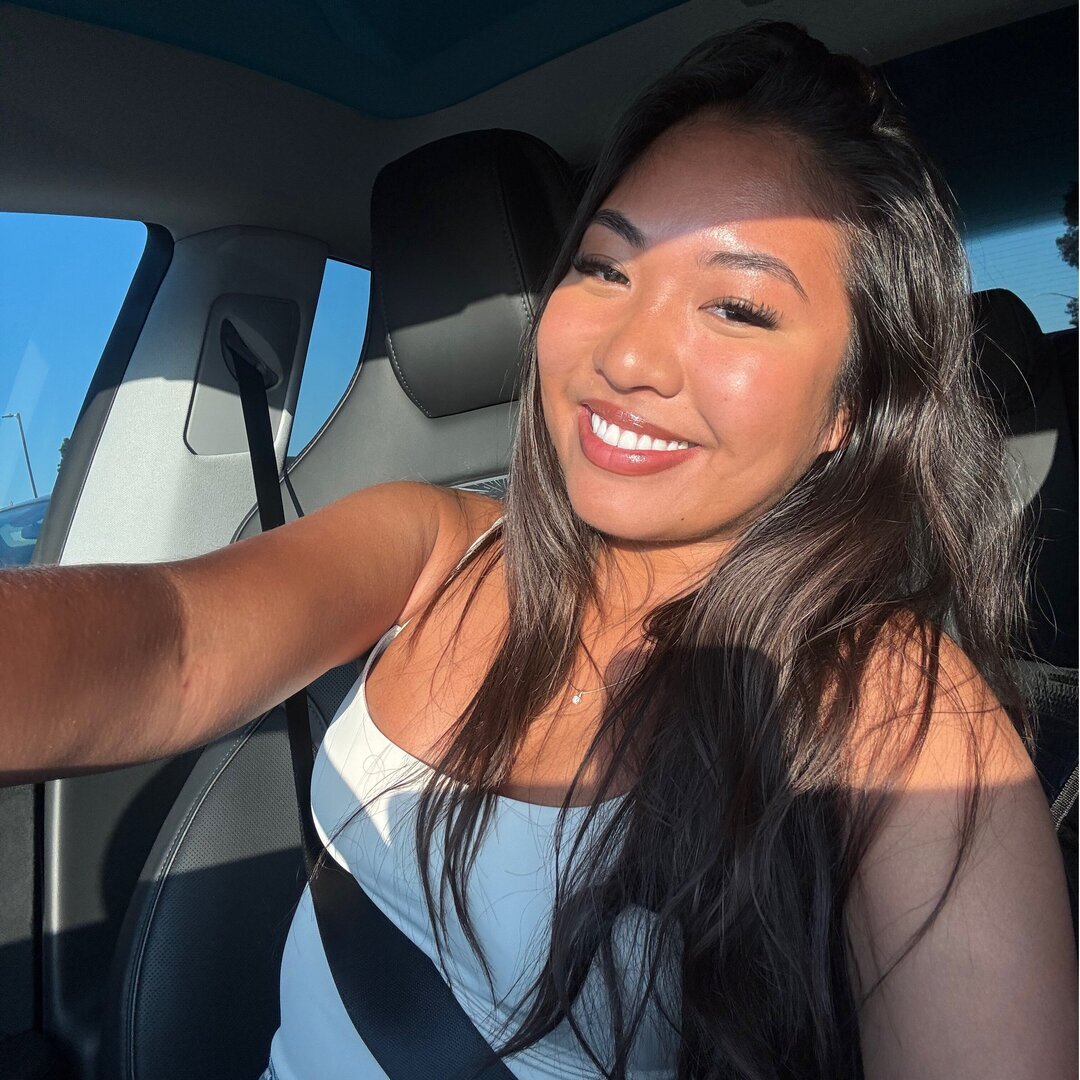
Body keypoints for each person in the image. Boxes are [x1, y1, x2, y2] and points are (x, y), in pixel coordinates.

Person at [3, 20, 1075, 1080]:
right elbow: (174, 642)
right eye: (606, 269)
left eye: (738, 308)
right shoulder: (429, 544)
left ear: (848, 406)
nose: (629, 354)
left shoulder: (892, 710)